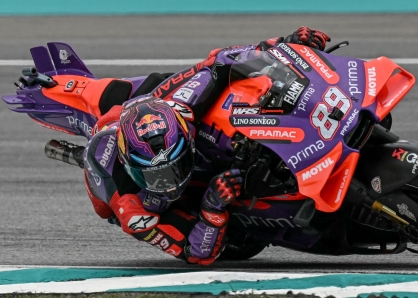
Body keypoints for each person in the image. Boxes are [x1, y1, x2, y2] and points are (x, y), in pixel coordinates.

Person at [82, 27, 331, 265]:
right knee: (237, 243)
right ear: (129, 166)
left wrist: (285, 44)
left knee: (170, 82)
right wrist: (212, 206)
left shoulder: (184, 107)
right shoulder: (134, 211)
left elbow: (221, 59)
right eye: (155, 175)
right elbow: (196, 253)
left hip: (152, 108)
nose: (169, 183)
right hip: (136, 182)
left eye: (174, 169)